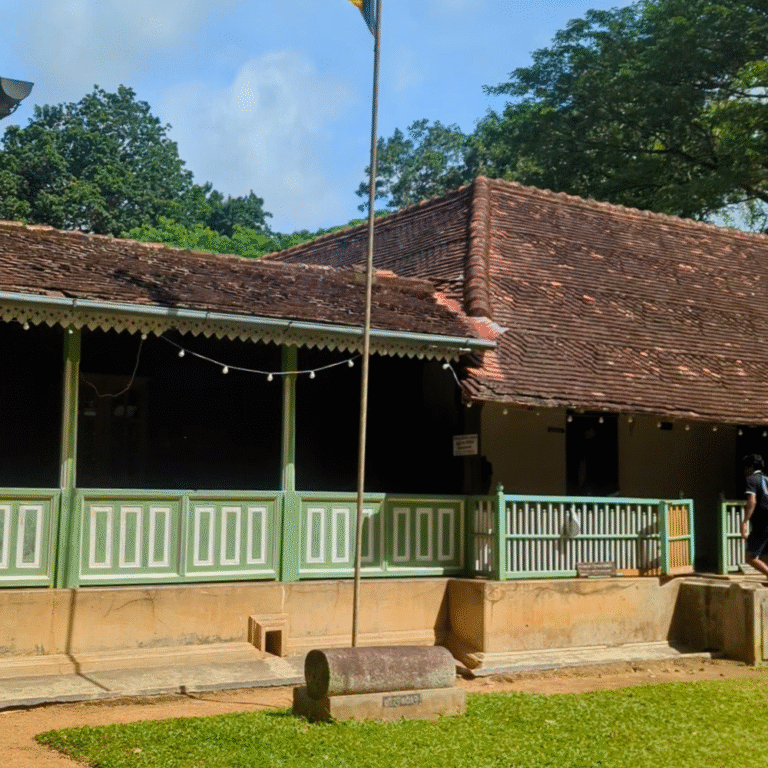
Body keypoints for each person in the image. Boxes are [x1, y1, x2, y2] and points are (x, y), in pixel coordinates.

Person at [740, 454, 768, 578]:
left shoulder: (751, 479)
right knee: (763, 556)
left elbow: (752, 501)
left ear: (750, 467)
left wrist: (745, 521)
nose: (745, 471)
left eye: (746, 468)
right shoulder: (767, 479)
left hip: (762, 522)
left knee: (750, 557)